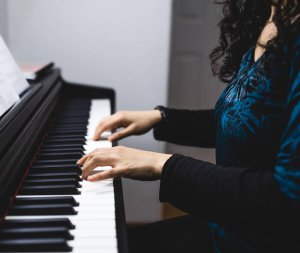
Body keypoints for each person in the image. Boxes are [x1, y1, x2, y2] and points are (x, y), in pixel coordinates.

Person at [77, 0, 300, 252]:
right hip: (230, 225)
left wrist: (162, 165)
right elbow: (245, 124)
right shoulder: (272, 16)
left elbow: (286, 199)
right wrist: (161, 118)